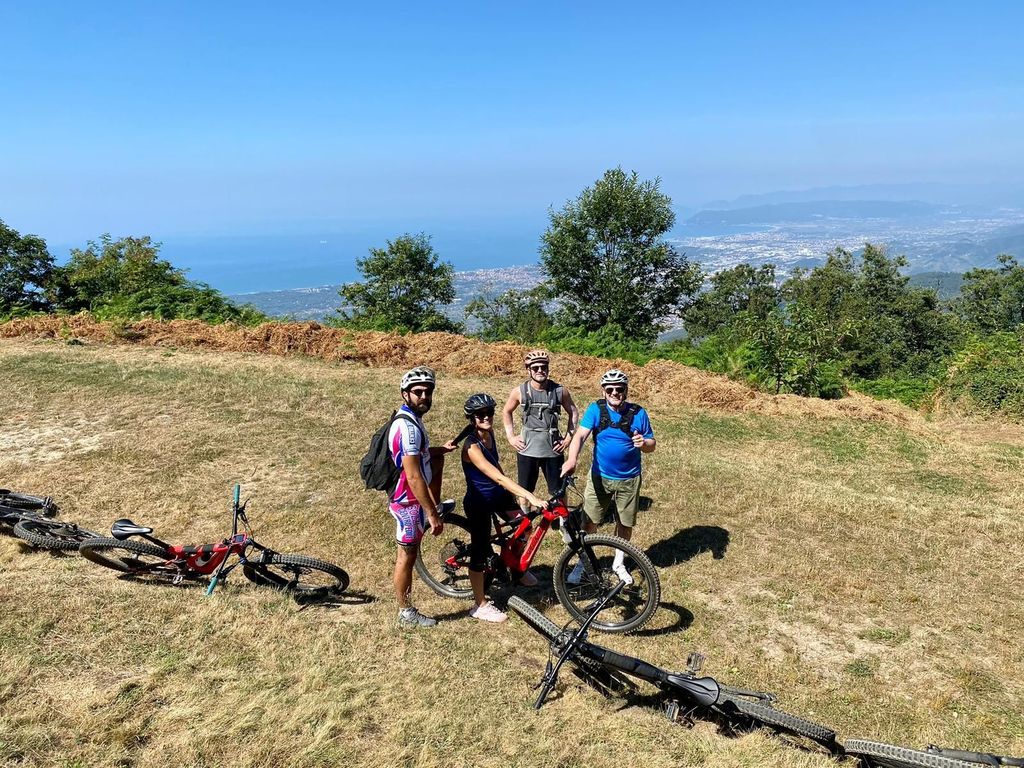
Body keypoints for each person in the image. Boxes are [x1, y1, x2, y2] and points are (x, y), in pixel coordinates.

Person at [560, 369, 656, 584]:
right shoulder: (596, 409)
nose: (615, 393)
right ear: (603, 391)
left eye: (619, 389)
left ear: (626, 390)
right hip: (599, 477)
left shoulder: (639, 413)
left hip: (629, 478)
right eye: (610, 389)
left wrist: (645, 444)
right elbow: (580, 436)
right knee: (590, 521)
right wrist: (572, 459)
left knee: (625, 522)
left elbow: (652, 444)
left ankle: (618, 563)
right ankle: (585, 563)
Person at [461, 393, 548, 623]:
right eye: (481, 414)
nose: (487, 417)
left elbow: (497, 467)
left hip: (499, 496)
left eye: (489, 412)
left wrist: (512, 495)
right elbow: (498, 477)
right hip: (479, 502)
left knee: (525, 526)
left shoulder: (488, 434)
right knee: (479, 553)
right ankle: (479, 605)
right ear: (472, 418)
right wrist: (529, 495)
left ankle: (515, 571)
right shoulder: (471, 447)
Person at [388, 365, 457, 628]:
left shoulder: (411, 419)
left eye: (428, 392)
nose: (424, 397)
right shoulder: (408, 429)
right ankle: (406, 612)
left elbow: (420, 456)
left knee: (410, 553)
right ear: (405, 394)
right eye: (418, 392)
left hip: (412, 498)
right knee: (407, 555)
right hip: (407, 502)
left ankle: (432, 510)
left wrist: (440, 449)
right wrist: (431, 512)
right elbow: (414, 476)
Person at [502, 350, 579, 511]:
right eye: (535, 367)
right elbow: (506, 411)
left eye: (543, 367)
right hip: (527, 449)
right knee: (524, 491)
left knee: (558, 491)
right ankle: (525, 523)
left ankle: (562, 523)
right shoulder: (519, 391)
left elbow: (573, 411)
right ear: (528, 370)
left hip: (552, 449)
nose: (540, 370)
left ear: (548, 368)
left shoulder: (559, 391)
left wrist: (567, 438)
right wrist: (511, 437)